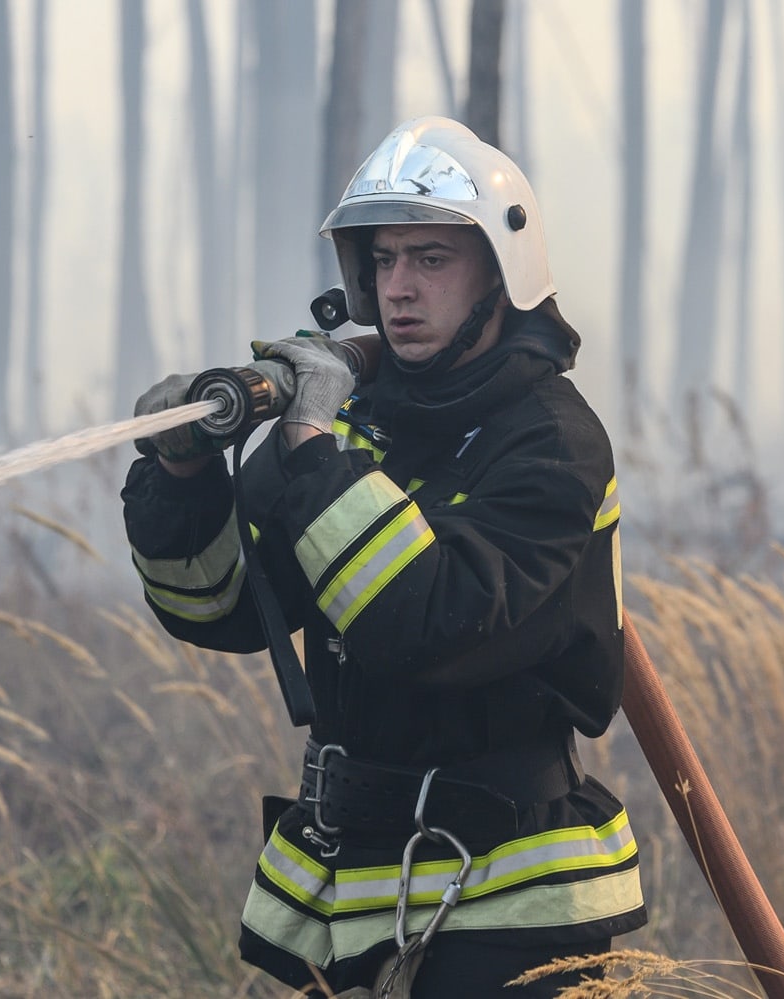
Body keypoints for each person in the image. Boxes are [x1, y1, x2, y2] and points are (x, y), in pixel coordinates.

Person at [120, 116, 647, 997]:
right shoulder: (356, 425)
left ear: (501, 272)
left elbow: (428, 622)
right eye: (384, 259)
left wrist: (313, 449)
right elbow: (220, 608)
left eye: (431, 259)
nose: (398, 286)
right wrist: (183, 477)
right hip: (358, 886)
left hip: (512, 904)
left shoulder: (551, 442)